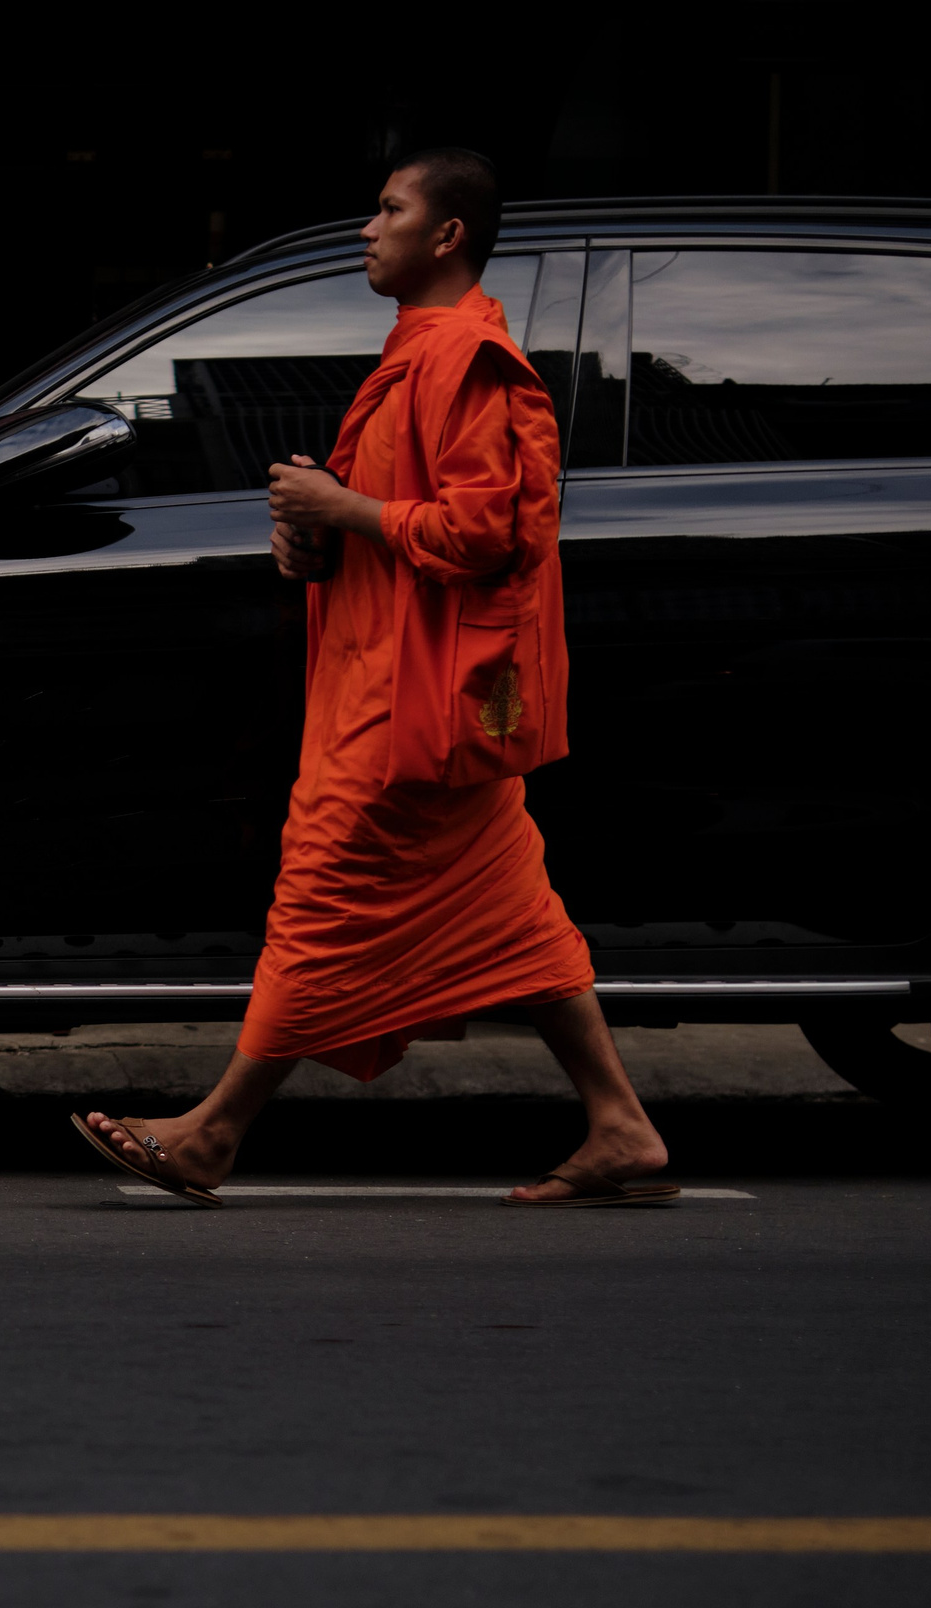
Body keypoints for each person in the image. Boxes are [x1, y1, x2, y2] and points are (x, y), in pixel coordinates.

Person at [75, 148, 675, 1209]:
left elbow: (488, 533)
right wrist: (317, 534)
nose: (367, 227)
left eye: (389, 209)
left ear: (446, 235)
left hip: (410, 705)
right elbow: (408, 525)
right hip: (397, 688)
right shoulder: (419, 354)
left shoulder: (470, 363)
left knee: (321, 894)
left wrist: (344, 509)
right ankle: (621, 1124)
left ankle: (213, 1133)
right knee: (514, 912)